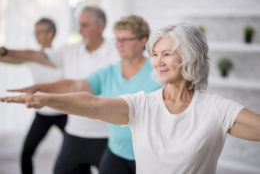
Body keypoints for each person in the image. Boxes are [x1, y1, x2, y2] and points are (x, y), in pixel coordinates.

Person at [1, 22, 260, 174]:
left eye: (167, 53)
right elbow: (93, 103)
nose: (157, 61)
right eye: (156, 54)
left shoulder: (215, 109)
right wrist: (48, 99)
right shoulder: (142, 104)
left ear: (190, 57)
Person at [7, 15, 162, 174]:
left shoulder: (158, 71)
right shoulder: (109, 72)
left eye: (126, 40)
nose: (120, 45)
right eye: (117, 40)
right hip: (117, 152)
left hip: (149, 154)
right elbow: (76, 85)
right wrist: (39, 89)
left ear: (143, 40)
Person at [0, 6, 118, 174]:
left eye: (85, 25)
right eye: (79, 25)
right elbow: (34, 55)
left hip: (105, 135)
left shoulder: (116, 52)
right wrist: (5, 51)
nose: (80, 30)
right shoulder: (69, 51)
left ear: (100, 26)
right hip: (74, 133)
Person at [0, 18, 67, 174]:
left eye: (39, 32)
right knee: (26, 152)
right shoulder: (31, 57)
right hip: (42, 113)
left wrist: (4, 51)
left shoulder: (60, 55)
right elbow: (9, 58)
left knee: (74, 152)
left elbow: (33, 55)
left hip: (63, 112)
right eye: (35, 32)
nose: (35, 35)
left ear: (50, 33)